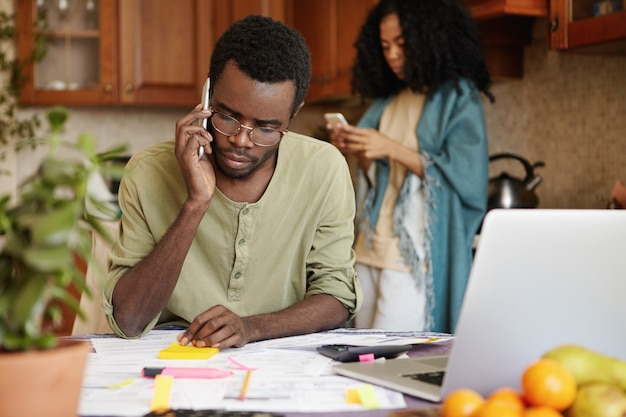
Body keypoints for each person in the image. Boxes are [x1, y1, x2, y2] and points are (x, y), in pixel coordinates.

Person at [103, 15, 361, 348]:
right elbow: (128, 319)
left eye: (267, 128)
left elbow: (337, 298)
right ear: (207, 95)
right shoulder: (147, 171)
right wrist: (195, 204)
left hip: (282, 354)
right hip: (175, 355)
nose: (241, 141)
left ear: (293, 115)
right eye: (228, 116)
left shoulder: (325, 169)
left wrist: (252, 328)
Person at [328, 0, 494, 333]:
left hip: (413, 258)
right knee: (364, 356)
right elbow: (380, 179)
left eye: (402, 45)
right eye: (385, 46)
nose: (392, 56)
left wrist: (391, 147)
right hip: (369, 249)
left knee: (395, 358)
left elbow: (467, 178)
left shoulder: (457, 97)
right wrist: (358, 150)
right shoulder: (387, 101)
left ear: (428, 39)